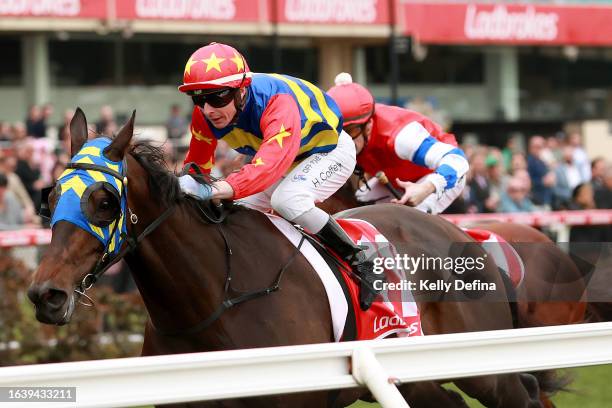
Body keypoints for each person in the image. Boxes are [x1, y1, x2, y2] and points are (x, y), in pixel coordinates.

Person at [176, 42, 379, 310]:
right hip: (287, 156)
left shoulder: (277, 102)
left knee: (288, 199)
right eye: (198, 98)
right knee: (238, 212)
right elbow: (197, 167)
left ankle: (362, 261)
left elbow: (268, 167)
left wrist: (216, 189)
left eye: (218, 97)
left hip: (328, 149)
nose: (208, 109)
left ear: (242, 89)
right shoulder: (205, 114)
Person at [326, 73, 469, 214]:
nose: (342, 140)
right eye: (337, 132)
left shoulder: (401, 136)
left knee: (409, 218)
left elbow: (458, 160)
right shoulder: (349, 135)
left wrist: (426, 188)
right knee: (357, 206)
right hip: (395, 178)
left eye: (349, 131)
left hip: (440, 176)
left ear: (368, 125)